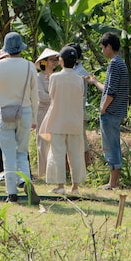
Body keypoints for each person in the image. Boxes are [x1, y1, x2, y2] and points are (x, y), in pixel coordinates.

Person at [0, 32, 39, 204]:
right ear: (21, 48)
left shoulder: (0, 65)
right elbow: (35, 95)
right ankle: (25, 180)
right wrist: (34, 117)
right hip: (25, 111)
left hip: (5, 111)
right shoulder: (29, 66)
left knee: (8, 154)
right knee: (22, 151)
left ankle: (12, 193)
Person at [39, 46, 87, 195]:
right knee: (76, 154)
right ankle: (75, 187)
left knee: (58, 153)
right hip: (75, 121)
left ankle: (60, 186)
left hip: (58, 119)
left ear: (61, 60)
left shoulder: (54, 77)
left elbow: (52, 96)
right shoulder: (79, 79)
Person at [86, 32, 129, 190]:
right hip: (117, 111)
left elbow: (111, 92)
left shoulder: (113, 64)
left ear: (109, 47)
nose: (103, 51)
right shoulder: (120, 63)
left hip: (110, 112)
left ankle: (112, 183)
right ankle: (113, 181)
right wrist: (95, 82)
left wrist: (103, 108)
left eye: (103, 48)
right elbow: (108, 89)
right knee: (113, 145)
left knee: (111, 146)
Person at [34, 48, 59, 178]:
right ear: (44, 62)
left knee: (56, 142)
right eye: (52, 60)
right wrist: (57, 98)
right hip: (42, 113)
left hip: (56, 113)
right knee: (43, 143)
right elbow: (42, 97)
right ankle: (43, 173)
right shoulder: (38, 77)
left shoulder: (57, 76)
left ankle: (54, 172)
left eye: (56, 59)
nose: (55, 62)